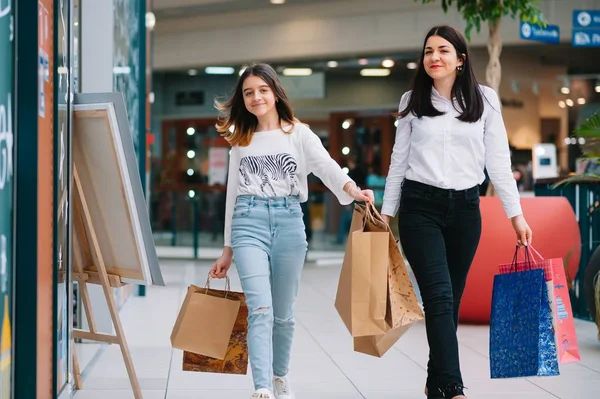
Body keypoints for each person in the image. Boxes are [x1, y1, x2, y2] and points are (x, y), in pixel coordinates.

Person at [380, 25, 532, 399]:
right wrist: (385, 216)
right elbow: (398, 163)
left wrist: (517, 215)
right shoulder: (411, 101)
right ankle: (453, 386)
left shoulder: (486, 100)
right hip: (420, 209)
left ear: (460, 60)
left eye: (444, 50)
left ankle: (435, 382)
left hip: (466, 209)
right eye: (429, 50)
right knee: (440, 295)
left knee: (450, 301)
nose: (434, 57)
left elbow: (499, 162)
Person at [209, 63, 374, 399]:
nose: (256, 97)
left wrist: (352, 189)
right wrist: (227, 248)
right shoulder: (240, 141)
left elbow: (327, 166)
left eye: (262, 90)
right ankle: (262, 387)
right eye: (248, 92)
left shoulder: (298, 133)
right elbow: (232, 196)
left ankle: (279, 377)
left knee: (283, 314)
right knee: (260, 308)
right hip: (247, 222)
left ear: (275, 92)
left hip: (288, 222)